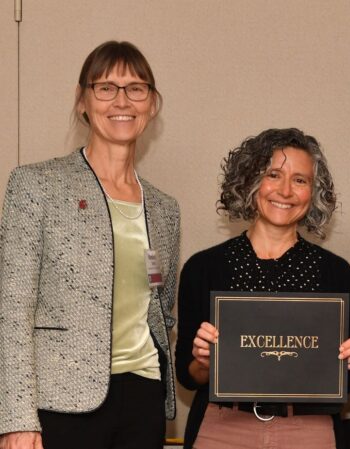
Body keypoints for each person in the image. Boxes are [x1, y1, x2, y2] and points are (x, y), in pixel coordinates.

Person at [0, 41, 180, 449]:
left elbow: (160, 307)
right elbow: (11, 312)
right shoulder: (36, 186)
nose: (122, 100)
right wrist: (16, 418)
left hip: (142, 398)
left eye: (136, 88)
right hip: (59, 402)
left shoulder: (164, 209)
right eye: (106, 87)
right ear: (83, 100)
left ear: (152, 104)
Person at [175, 128, 350, 449]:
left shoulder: (335, 273)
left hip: (308, 430)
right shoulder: (203, 268)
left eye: (300, 180)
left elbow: (346, 381)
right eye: (273, 175)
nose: (285, 190)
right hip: (223, 429)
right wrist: (203, 362)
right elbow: (188, 374)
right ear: (250, 182)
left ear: (314, 191)